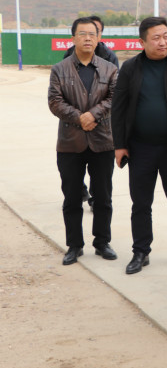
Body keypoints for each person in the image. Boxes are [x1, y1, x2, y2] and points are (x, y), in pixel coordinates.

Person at [111, 16, 167, 275]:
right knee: (141, 204)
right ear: (142, 42)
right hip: (140, 148)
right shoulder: (130, 69)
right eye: (156, 38)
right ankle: (140, 251)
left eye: (166, 36)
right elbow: (118, 108)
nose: (163, 42)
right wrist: (119, 144)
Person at [49, 17, 119, 265]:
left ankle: (102, 242)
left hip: (103, 141)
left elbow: (115, 98)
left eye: (92, 34)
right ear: (73, 38)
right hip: (70, 143)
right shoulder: (60, 69)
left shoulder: (110, 69)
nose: (87, 38)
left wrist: (93, 114)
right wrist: (80, 117)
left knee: (103, 197)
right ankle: (74, 245)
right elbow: (54, 102)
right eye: (82, 34)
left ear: (99, 38)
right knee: (71, 197)